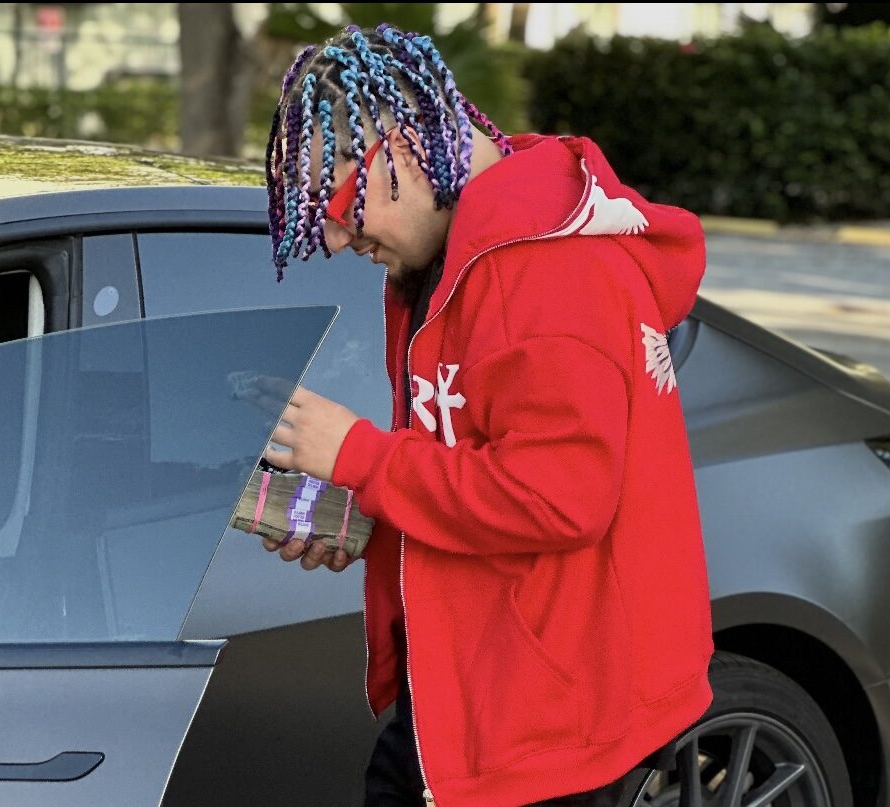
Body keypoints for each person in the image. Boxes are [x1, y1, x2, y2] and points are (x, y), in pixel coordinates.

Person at [261, 23, 714, 807]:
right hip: (467, 698)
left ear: (401, 151)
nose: (333, 237)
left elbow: (556, 495)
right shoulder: (450, 257)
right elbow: (467, 455)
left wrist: (363, 458)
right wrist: (366, 516)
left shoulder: (549, 271)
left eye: (331, 202)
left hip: (539, 726)